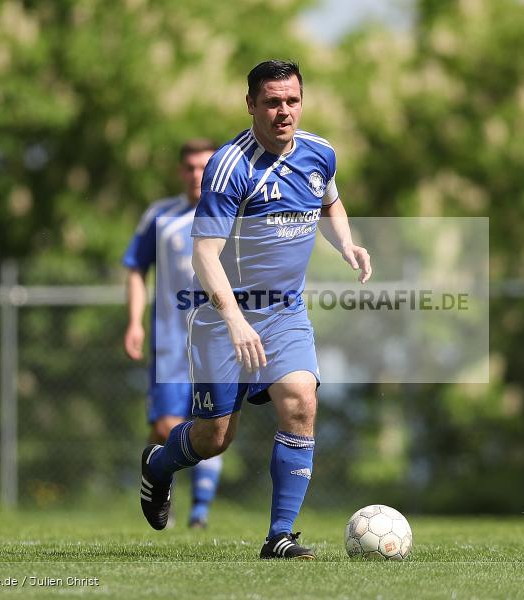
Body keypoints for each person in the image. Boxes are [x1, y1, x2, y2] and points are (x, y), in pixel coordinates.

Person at [138, 60, 372, 559]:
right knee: (214, 437)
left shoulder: (320, 153)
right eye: (272, 101)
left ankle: (279, 537)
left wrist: (347, 245)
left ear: (301, 102)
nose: (283, 111)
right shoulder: (230, 166)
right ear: (251, 105)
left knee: (301, 401)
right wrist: (235, 320)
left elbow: (329, 202)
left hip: (286, 312)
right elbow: (204, 254)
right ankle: (158, 466)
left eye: (291, 100)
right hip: (224, 319)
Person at [123, 139, 223, 530]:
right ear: (181, 172)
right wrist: (134, 321)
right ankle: (158, 474)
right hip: (169, 341)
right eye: (190, 168)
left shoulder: (230, 215)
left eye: (204, 167)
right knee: (166, 426)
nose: (197, 175)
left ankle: (199, 511)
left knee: (213, 423)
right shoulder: (161, 217)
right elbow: (135, 267)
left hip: (217, 342)